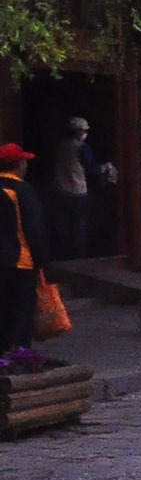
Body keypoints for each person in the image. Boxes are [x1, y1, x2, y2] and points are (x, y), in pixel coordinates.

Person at [0, 143, 50, 351]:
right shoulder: (23, 191)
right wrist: (42, 262)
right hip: (21, 261)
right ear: (18, 165)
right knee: (21, 314)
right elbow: (34, 229)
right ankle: (18, 356)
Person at [45, 117, 93, 260]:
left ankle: (60, 257)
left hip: (59, 190)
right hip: (78, 192)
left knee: (61, 226)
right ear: (78, 131)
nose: (85, 133)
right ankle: (78, 259)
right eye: (84, 131)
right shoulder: (82, 147)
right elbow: (91, 166)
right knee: (78, 228)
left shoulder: (59, 145)